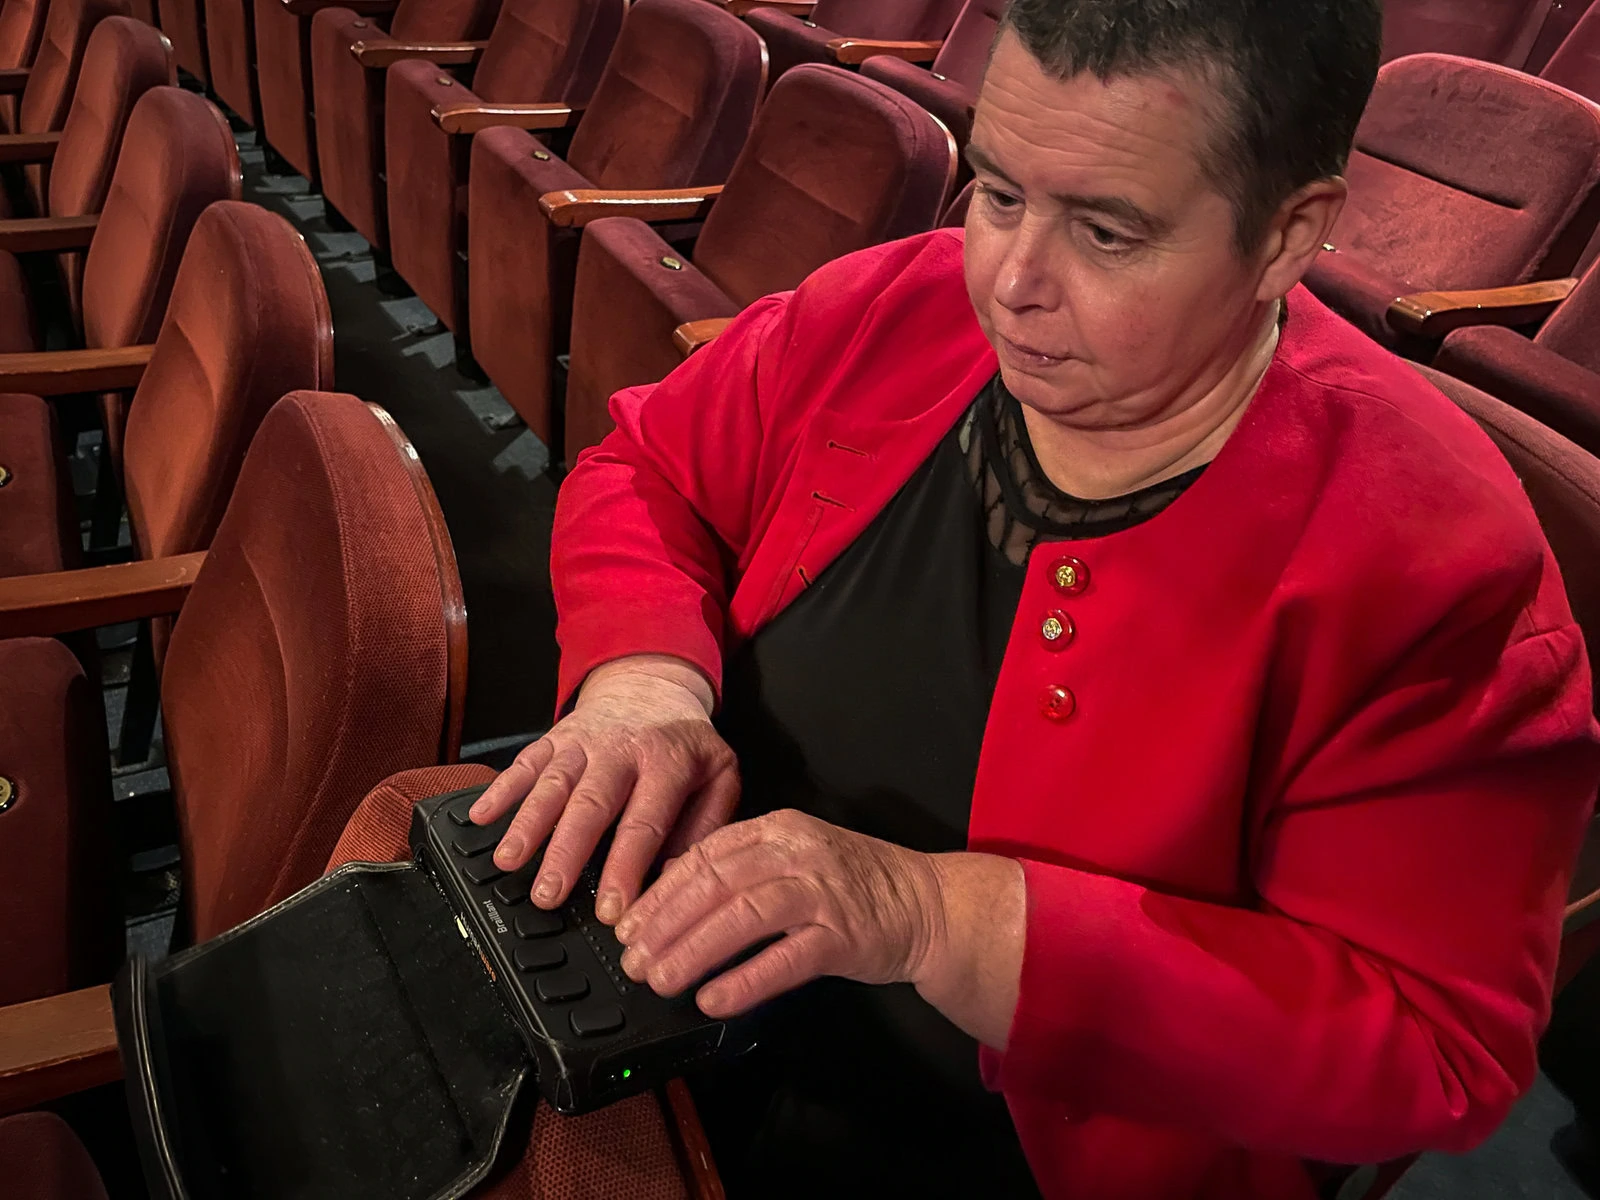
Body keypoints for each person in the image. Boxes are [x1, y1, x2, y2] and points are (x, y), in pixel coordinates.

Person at [470, 1, 1600, 1196]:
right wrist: (643, 682)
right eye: (999, 193)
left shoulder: (1430, 559)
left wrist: (935, 919)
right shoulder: (897, 304)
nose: (1008, 282)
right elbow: (650, 471)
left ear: (1285, 236)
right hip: (662, 1020)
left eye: (1106, 233)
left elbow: (1429, 1048)